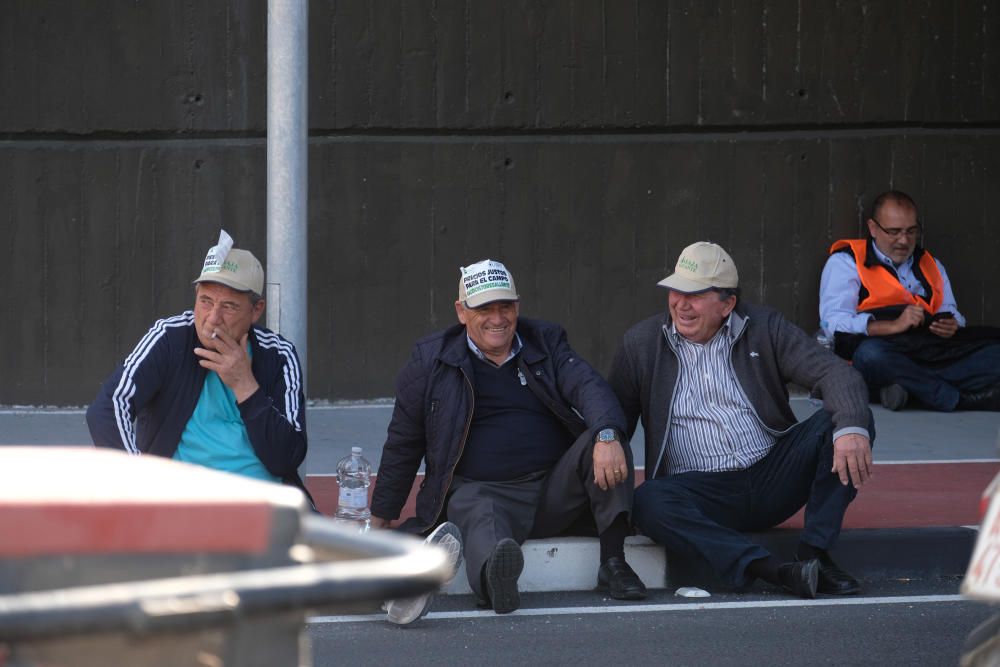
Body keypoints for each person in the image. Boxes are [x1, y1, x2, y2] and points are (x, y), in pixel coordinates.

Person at [370, 258, 646, 615]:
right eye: (485, 308)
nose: (498, 319)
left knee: (606, 436)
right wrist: (380, 519)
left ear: (518, 306)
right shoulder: (430, 361)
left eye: (506, 307)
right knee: (474, 506)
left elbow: (589, 387)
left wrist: (607, 434)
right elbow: (402, 445)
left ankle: (614, 564)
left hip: (552, 490)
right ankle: (495, 581)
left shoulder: (545, 341)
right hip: (483, 492)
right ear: (461, 311)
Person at [609, 242, 874, 598]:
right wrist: (604, 438)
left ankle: (816, 554)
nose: (681, 304)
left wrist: (851, 428)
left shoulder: (765, 327)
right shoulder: (640, 345)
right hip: (701, 491)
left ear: (728, 303)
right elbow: (613, 416)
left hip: (772, 474)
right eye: (676, 290)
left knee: (847, 419)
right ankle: (775, 572)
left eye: (697, 294)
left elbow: (836, 375)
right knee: (649, 502)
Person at [86, 231, 310, 496]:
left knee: (321, 535)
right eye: (205, 301)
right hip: (186, 501)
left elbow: (287, 457)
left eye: (228, 306)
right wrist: (139, 483)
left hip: (263, 502)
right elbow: (108, 407)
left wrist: (245, 385)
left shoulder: (279, 354)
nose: (212, 318)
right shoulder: (170, 338)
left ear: (256, 310)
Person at [819, 190, 1000, 412]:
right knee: (871, 356)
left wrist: (952, 325)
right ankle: (954, 399)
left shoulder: (932, 264)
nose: (904, 241)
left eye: (911, 231)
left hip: (930, 353)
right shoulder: (846, 263)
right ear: (873, 228)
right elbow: (832, 324)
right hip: (884, 353)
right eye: (894, 232)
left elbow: (951, 311)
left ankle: (908, 389)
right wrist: (892, 326)